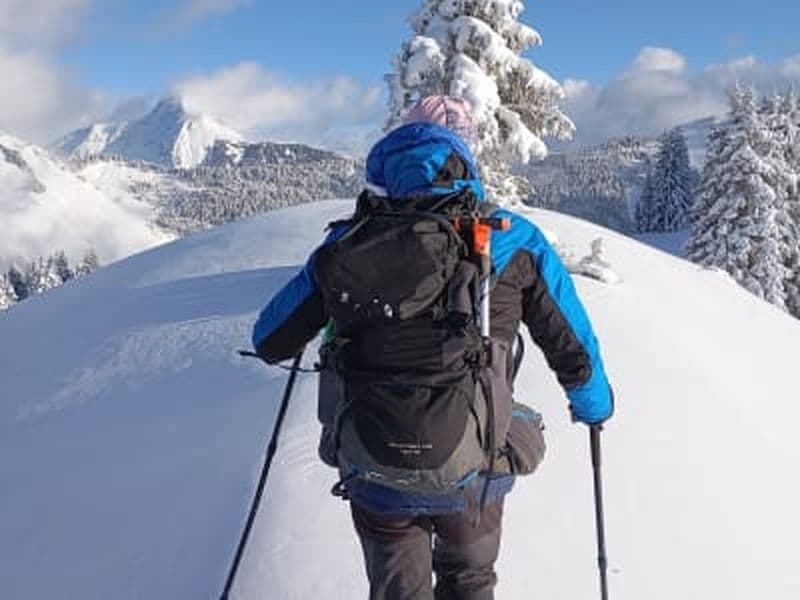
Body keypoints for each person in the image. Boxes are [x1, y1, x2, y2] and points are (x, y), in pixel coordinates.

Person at [251, 96, 613, 600]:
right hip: (474, 467)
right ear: (465, 157)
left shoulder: (347, 244)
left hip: (376, 463)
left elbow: (268, 340)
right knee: (470, 579)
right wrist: (595, 406)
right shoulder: (513, 241)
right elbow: (573, 347)